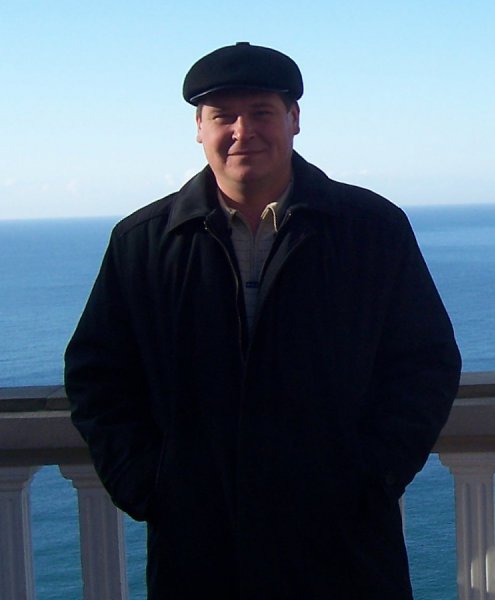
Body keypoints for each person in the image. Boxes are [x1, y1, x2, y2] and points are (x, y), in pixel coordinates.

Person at [65, 42, 461, 599]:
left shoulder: (371, 229)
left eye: (261, 112)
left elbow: (425, 363)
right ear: (198, 128)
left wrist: (370, 477)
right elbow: (98, 375)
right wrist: (150, 484)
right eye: (223, 116)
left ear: (294, 119)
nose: (242, 131)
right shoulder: (145, 243)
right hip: (199, 554)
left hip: (343, 550)